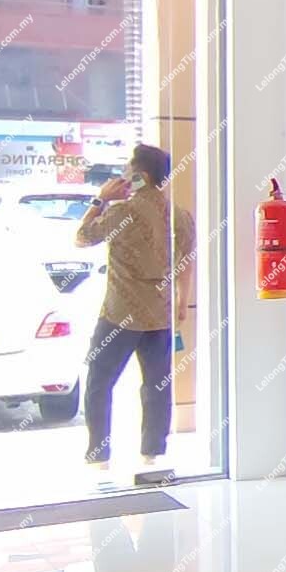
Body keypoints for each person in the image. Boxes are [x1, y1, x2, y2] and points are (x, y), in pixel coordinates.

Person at [75, 144, 194, 475]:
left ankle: (99, 455)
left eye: (128, 170)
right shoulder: (179, 215)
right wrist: (182, 302)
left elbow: (82, 238)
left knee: (100, 381)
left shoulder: (120, 212)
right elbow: (186, 264)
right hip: (159, 313)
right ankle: (152, 454)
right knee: (157, 385)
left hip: (120, 312)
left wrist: (101, 200)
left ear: (140, 175)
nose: (124, 175)